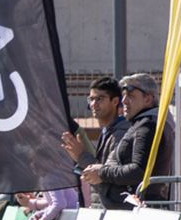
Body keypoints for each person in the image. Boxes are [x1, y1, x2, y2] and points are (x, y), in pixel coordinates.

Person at [83, 72, 174, 206]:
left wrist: (102, 172)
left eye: (130, 96)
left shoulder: (147, 127)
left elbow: (139, 172)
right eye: (124, 95)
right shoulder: (143, 124)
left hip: (139, 210)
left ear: (148, 99)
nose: (124, 101)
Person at [60, 76, 129, 209]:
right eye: (91, 99)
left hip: (116, 213)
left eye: (100, 99)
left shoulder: (121, 133)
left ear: (115, 101)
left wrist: (80, 156)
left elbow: (108, 175)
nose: (93, 104)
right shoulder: (107, 132)